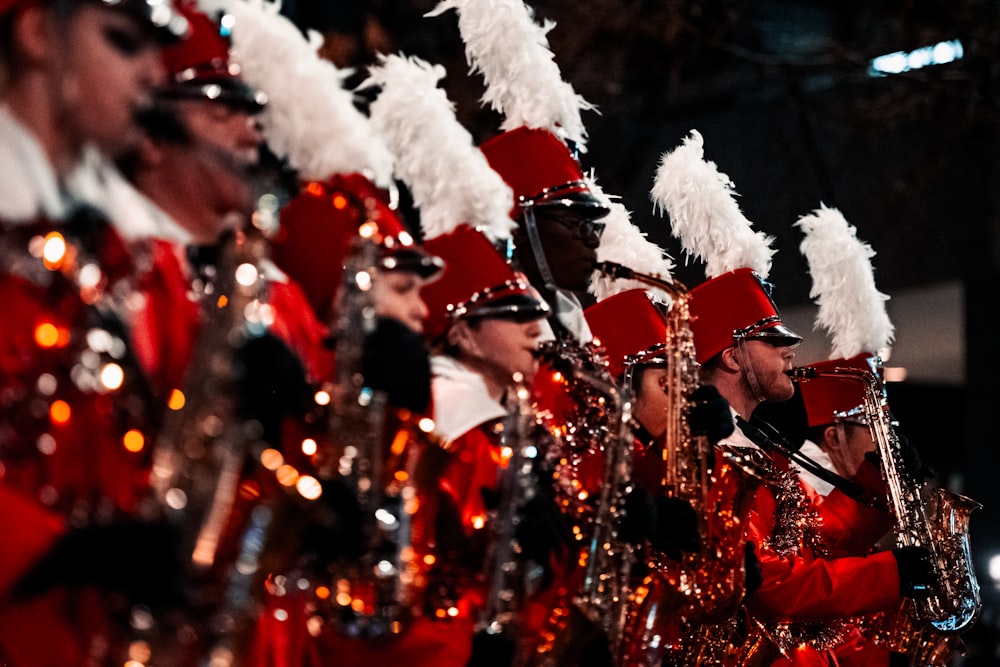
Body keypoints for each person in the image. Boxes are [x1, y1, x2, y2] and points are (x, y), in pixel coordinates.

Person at [0, 0, 191, 664]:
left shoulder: (115, 247)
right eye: (123, 42)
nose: (153, 75)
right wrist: (39, 544)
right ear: (34, 33)